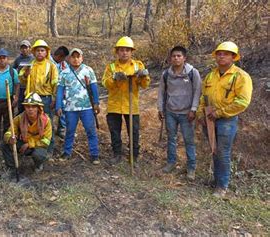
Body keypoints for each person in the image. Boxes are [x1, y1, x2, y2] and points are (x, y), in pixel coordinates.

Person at [196, 41, 252, 198]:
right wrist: (201, 114)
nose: (221, 56)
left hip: (226, 120)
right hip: (209, 118)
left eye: (225, 54)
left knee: (223, 152)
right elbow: (203, 97)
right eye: (219, 53)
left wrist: (220, 113)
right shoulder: (211, 75)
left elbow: (242, 102)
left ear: (233, 57)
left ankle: (222, 186)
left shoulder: (241, 76)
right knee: (214, 150)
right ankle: (216, 181)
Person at [102, 36, 150, 167]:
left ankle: (134, 157)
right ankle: (117, 154)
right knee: (115, 131)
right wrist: (114, 78)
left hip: (131, 106)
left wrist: (143, 76)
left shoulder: (137, 65)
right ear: (117, 52)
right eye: (121, 50)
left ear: (131, 52)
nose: (124, 52)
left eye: (127, 50)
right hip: (114, 105)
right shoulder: (111, 67)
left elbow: (145, 85)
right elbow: (105, 83)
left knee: (133, 132)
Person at [157, 46, 202, 180]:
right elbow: (161, 92)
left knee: (189, 141)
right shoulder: (166, 74)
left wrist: (193, 109)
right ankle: (171, 163)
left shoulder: (193, 73)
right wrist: (160, 108)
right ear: (170, 58)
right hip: (170, 111)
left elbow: (197, 92)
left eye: (179, 56)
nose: (176, 58)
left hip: (187, 113)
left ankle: (191, 168)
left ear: (184, 58)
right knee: (171, 139)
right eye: (174, 56)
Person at [56, 48, 100, 164]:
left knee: (90, 130)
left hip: (87, 107)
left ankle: (94, 154)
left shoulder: (88, 70)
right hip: (70, 108)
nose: (75, 59)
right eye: (73, 57)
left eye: (78, 57)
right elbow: (60, 90)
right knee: (70, 130)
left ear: (82, 58)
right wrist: (58, 105)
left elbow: (94, 88)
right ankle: (67, 152)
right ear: (69, 58)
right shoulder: (64, 72)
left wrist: (96, 103)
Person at [19, 39, 59, 157]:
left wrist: (54, 98)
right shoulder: (30, 64)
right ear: (34, 52)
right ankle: (30, 147)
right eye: (37, 51)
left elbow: (55, 83)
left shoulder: (51, 66)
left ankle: (49, 150)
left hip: (45, 99)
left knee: (47, 123)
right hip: (31, 100)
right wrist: (25, 74)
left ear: (46, 52)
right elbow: (21, 78)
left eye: (42, 50)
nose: (40, 53)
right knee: (29, 122)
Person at [1, 92, 52, 176]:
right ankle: (11, 168)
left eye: (33, 106)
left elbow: (46, 141)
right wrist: (10, 138)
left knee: (39, 155)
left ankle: (38, 165)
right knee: (4, 144)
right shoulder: (19, 118)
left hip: (38, 146)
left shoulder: (46, 121)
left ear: (39, 108)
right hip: (23, 142)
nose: (30, 109)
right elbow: (10, 131)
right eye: (28, 106)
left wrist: (29, 144)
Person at [51, 46, 70, 138]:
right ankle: (49, 129)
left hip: (61, 91)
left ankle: (61, 129)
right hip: (49, 91)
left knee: (63, 109)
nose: (64, 59)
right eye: (63, 57)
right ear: (59, 56)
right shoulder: (48, 62)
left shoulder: (64, 64)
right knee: (48, 111)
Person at [12, 40, 34, 114]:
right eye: (22, 48)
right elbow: (13, 70)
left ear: (29, 48)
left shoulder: (33, 59)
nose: (24, 50)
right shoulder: (18, 59)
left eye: (26, 48)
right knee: (21, 105)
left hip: (31, 86)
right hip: (20, 86)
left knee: (30, 105)